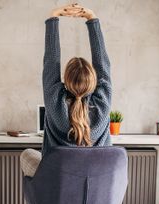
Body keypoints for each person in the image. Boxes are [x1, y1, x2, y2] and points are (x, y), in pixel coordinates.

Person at [20, 3, 112, 177]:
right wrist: (92, 18)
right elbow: (103, 62)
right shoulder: (103, 100)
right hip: (97, 183)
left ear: (66, 80)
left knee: (27, 154)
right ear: (94, 80)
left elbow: (51, 60)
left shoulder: (55, 97)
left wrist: (53, 17)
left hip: (57, 183)